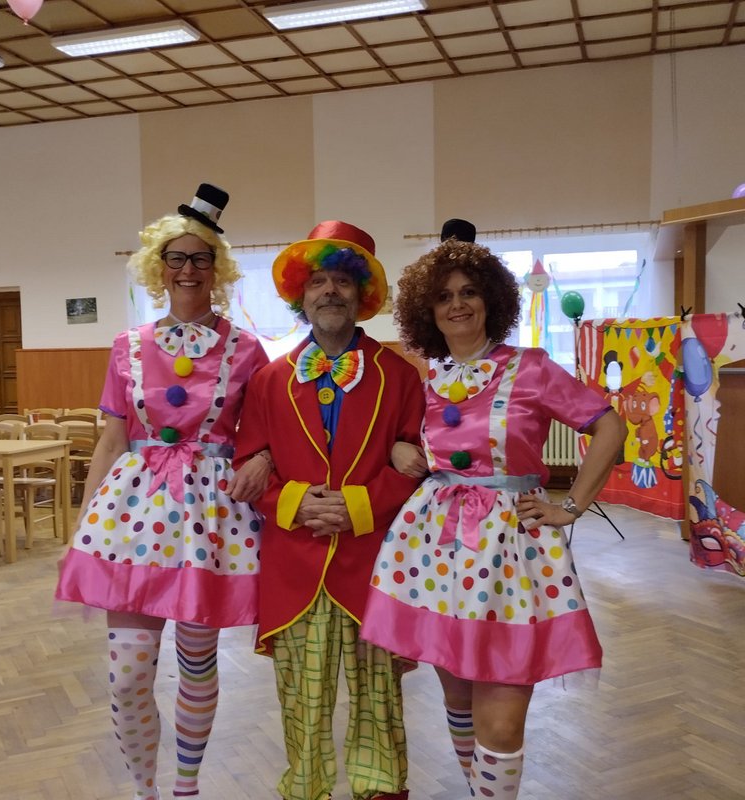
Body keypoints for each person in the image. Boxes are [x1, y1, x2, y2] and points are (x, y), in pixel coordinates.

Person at [360, 239, 627, 799]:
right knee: (458, 701)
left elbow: (609, 425)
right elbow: (389, 442)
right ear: (427, 311)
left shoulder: (531, 367)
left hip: (512, 556)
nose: (457, 305)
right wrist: (398, 449)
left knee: (502, 726)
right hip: (435, 553)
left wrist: (571, 505)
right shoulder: (421, 378)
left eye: (469, 292)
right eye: (443, 297)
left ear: (492, 301)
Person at [55, 183, 271, 800]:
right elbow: (112, 440)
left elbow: (265, 434)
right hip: (131, 517)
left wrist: (259, 460)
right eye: (176, 257)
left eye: (200, 257)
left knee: (198, 668)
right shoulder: (128, 346)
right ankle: (144, 788)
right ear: (159, 266)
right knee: (126, 677)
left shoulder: (247, 350)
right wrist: (83, 524)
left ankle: (186, 788)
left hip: (210, 522)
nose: (187, 269)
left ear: (216, 269)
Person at [234, 221, 426, 800]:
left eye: (342, 280)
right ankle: (306, 788)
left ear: (362, 293)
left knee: (378, 695)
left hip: (374, 561)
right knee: (302, 696)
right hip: (295, 563)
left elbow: (422, 466)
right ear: (301, 294)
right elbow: (248, 467)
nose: (330, 292)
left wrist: (360, 506)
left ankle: (381, 789)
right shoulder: (268, 379)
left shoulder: (400, 375)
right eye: (317, 281)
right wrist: (294, 502)